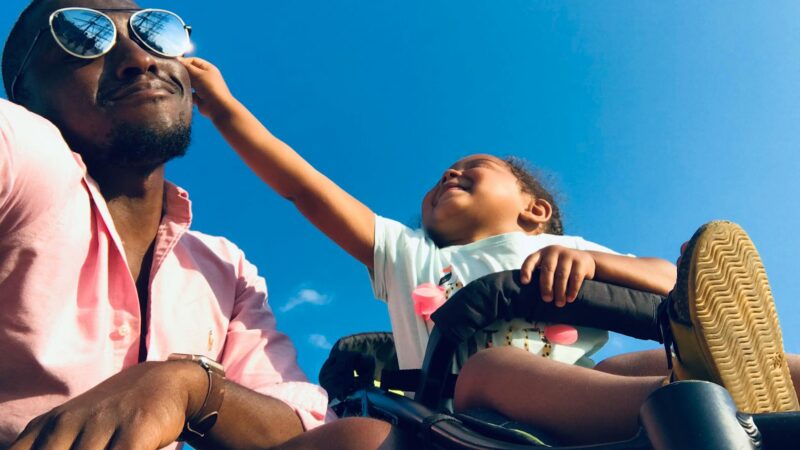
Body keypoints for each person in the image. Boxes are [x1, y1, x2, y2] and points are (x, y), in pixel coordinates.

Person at [183, 57, 800, 445]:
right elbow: (303, 189)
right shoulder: (408, 253)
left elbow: (669, 280)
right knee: (490, 369)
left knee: (629, 364)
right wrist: (224, 108)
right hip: (463, 409)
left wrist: (598, 264)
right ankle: (697, 402)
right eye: (442, 176)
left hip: (579, 390)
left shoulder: (560, 244)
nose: (449, 173)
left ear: (534, 209)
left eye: (471, 169)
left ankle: (735, 383)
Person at [1, 1, 409, 449]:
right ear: (23, 93)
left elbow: (299, 430)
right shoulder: (24, 153)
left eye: (153, 35)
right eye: (83, 37)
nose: (140, 59)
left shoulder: (225, 267)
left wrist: (188, 386)